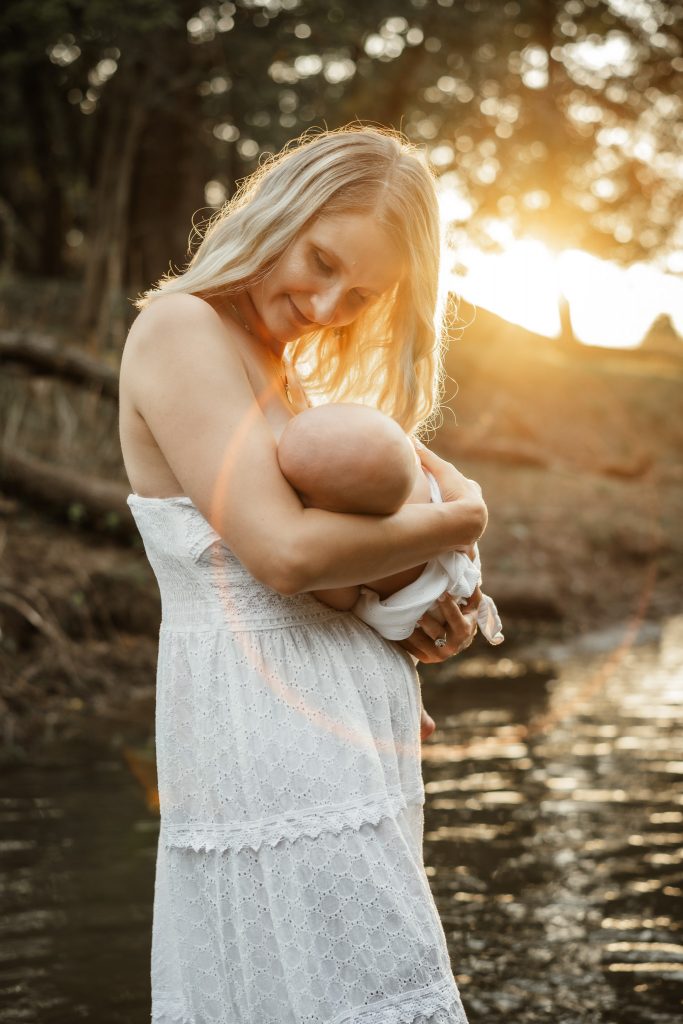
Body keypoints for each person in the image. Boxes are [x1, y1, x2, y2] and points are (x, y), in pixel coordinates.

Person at [119, 124, 487, 1024]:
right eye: (319, 261)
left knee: (352, 990)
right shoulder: (181, 330)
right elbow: (279, 555)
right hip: (265, 739)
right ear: (276, 212)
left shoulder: (283, 376)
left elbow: (323, 566)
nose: (325, 304)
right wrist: (462, 516)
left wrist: (400, 614)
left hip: (338, 731)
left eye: (358, 295)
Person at [276, 401, 504, 735]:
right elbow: (463, 514)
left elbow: (338, 599)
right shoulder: (420, 480)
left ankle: (417, 705)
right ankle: (417, 703)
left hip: (416, 605)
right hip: (460, 568)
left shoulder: (352, 549)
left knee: (373, 615)